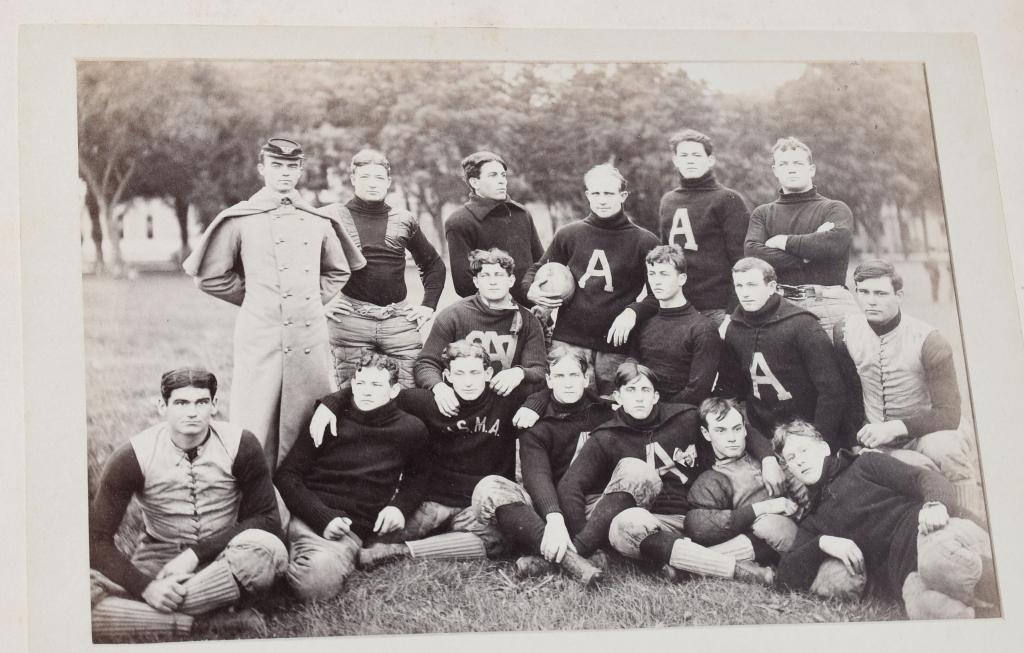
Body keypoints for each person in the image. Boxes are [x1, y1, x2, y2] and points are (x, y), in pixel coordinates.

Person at [183, 137, 366, 470]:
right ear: (262, 169)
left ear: (300, 171)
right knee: (254, 418)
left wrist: (305, 302)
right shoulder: (241, 218)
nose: (284, 174)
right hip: (261, 332)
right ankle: (256, 496)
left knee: (308, 418)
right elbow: (210, 277)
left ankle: (302, 496)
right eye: (277, 166)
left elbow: (338, 271)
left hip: (309, 335)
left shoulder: (316, 219)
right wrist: (258, 300)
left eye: (292, 167)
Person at [89, 369, 286, 640]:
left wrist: (194, 555)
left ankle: (145, 614)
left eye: (201, 402)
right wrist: (146, 586)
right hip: (159, 558)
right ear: (163, 406)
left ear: (214, 406)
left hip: (224, 555)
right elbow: (96, 540)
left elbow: (267, 519)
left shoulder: (241, 443)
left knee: (266, 551)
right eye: (181, 403)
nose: (192, 412)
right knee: (78, 594)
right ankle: (206, 621)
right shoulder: (132, 455)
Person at [559, 360, 781, 584]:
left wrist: (769, 459)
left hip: (698, 515)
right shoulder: (606, 437)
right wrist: (583, 536)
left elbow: (738, 427)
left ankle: (683, 563)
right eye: (631, 390)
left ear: (656, 396)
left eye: (645, 390)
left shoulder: (685, 417)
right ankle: (735, 569)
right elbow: (570, 485)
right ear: (617, 397)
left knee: (765, 531)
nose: (638, 397)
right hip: (649, 521)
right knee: (623, 524)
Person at [774, 420, 996, 619]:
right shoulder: (814, 521)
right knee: (923, 607)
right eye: (791, 458)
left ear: (823, 448)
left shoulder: (864, 464)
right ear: (789, 469)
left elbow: (924, 478)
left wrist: (935, 504)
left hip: (933, 533)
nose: (800, 461)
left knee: (936, 560)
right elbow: (784, 578)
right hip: (908, 575)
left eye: (803, 450)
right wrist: (822, 544)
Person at [471, 346, 646, 585]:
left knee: (636, 472)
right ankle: (576, 560)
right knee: (489, 488)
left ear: (586, 379)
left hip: (589, 508)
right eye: (560, 376)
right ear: (549, 381)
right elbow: (536, 475)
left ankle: (557, 558)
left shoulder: (606, 413)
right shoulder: (534, 419)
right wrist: (554, 518)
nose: (568, 383)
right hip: (546, 509)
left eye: (574, 375)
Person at [357, 340, 534, 568]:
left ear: (488, 373)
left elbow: (547, 390)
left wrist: (533, 405)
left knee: (498, 541)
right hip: (434, 500)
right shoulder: (429, 401)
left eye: (475, 373)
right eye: (459, 373)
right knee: (377, 536)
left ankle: (404, 552)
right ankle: (437, 538)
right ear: (447, 376)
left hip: (478, 505)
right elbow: (373, 394)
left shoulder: (506, 399)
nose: (468, 381)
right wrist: (330, 403)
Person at [274, 354, 430, 601]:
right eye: (361, 384)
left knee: (315, 584)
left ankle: (277, 577)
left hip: (343, 528)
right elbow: (287, 475)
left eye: (377, 385)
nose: (367, 391)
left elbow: (420, 477)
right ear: (353, 385)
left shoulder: (410, 429)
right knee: (257, 544)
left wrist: (400, 508)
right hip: (296, 509)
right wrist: (320, 515)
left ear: (394, 391)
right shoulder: (328, 417)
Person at [834, 259, 978, 491]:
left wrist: (893, 428)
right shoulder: (845, 332)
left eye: (880, 293)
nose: (871, 301)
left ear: (898, 295)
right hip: (875, 433)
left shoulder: (929, 340)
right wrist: (855, 437)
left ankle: (970, 516)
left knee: (946, 452)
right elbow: (849, 394)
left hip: (928, 431)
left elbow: (949, 414)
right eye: (864, 292)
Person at [524, 164, 660, 396]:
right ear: (587, 195)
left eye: (609, 193)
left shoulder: (644, 241)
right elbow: (537, 269)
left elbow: (658, 294)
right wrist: (531, 289)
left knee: (611, 407)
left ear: (623, 196)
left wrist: (633, 311)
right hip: (569, 341)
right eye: (596, 193)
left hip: (615, 346)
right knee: (567, 405)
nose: (602, 199)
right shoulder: (569, 234)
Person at [321, 149, 446, 389]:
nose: (372, 183)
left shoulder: (403, 218)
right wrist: (321, 302)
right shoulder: (331, 216)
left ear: (388, 181)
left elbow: (433, 265)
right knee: (353, 395)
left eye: (379, 177)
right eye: (365, 176)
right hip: (350, 321)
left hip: (397, 320)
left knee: (410, 390)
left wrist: (428, 305)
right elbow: (303, 265)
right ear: (353, 179)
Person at [718, 257, 848, 451]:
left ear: (771, 287)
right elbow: (733, 391)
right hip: (763, 433)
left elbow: (832, 391)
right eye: (739, 286)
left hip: (807, 431)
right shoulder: (734, 330)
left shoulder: (803, 325)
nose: (744, 293)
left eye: (752, 285)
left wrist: (819, 441)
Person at [744, 137, 859, 340]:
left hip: (830, 305)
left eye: (798, 163)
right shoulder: (762, 213)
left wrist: (783, 242)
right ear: (775, 170)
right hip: (779, 306)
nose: (791, 169)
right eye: (784, 164)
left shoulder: (834, 208)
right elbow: (753, 254)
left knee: (840, 370)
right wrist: (806, 255)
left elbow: (834, 244)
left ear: (811, 169)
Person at [414, 248, 547, 415]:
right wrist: (439, 387)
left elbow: (539, 369)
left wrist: (519, 372)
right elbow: (425, 363)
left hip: (504, 404)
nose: (493, 282)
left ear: (511, 280)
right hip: (461, 403)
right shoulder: (453, 315)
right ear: (476, 281)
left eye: (499, 275)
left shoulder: (527, 320)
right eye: (485, 276)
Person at [684, 397, 807, 565]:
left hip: (809, 518)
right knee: (770, 526)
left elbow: (805, 486)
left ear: (745, 430)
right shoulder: (714, 479)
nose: (732, 438)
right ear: (706, 434)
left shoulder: (767, 453)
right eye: (721, 430)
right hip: (777, 535)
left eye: (736, 428)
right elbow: (702, 526)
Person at [658, 129, 750, 325]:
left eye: (696, 155)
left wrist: (732, 313)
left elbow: (742, 261)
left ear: (710, 160)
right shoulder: (668, 200)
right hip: (678, 307)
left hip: (717, 310)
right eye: (684, 155)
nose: (690, 160)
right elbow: (665, 258)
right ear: (675, 160)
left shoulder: (727, 199)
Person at [445, 151, 544, 306]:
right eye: (493, 175)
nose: (502, 181)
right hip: (489, 316)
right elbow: (463, 284)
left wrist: (542, 304)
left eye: (503, 175)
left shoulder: (522, 214)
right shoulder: (459, 222)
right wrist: (502, 307)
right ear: (475, 183)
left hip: (532, 310)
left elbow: (540, 265)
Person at [631, 244, 720, 405]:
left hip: (680, 413)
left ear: (682, 279)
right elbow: (633, 361)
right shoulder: (646, 321)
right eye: (652, 274)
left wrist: (659, 410)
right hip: (643, 407)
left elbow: (697, 390)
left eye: (664, 274)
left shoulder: (702, 328)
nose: (656, 281)